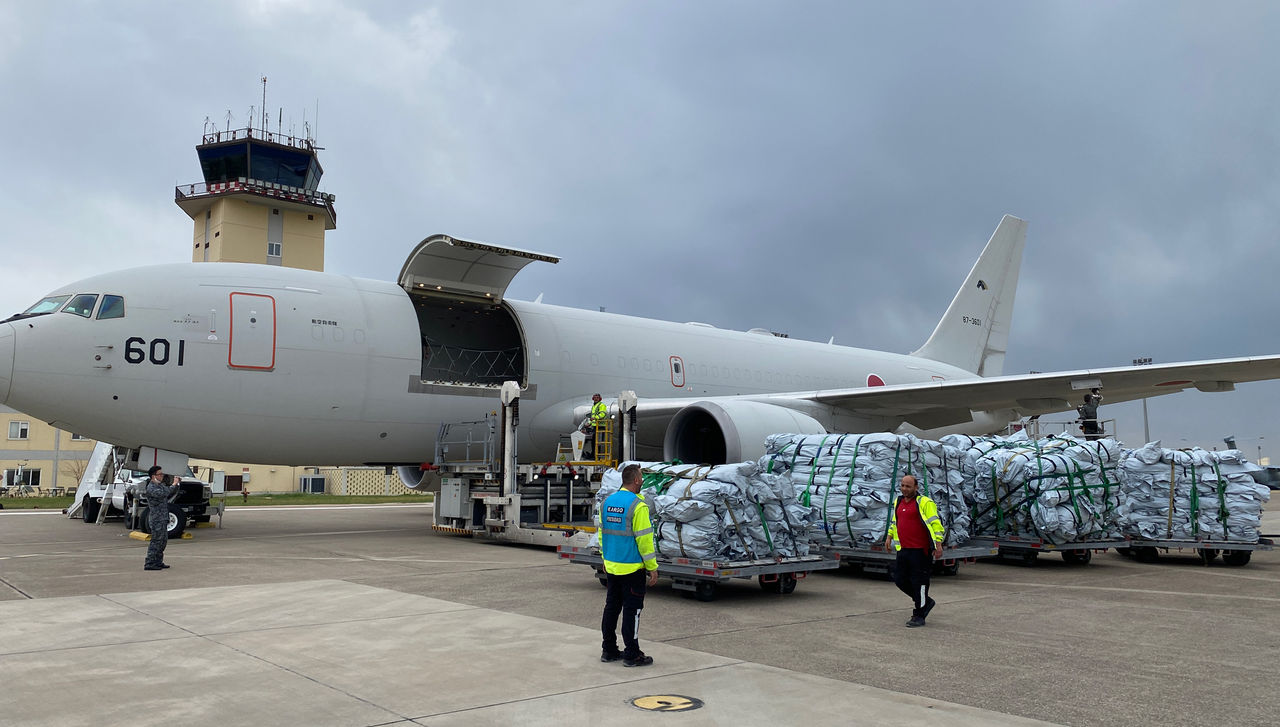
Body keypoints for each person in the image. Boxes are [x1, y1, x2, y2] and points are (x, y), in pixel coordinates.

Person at [598, 463, 659, 666]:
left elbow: (601, 534)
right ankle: (632, 654)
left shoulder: (607, 503)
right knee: (632, 612)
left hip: (613, 567)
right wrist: (652, 567)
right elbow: (644, 540)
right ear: (635, 481)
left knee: (611, 608)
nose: (642, 481)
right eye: (641, 477)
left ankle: (608, 650)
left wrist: (604, 558)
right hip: (632, 568)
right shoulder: (638, 506)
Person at [883, 474, 945, 627]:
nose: (904, 489)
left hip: (920, 551)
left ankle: (919, 614)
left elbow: (935, 524)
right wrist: (889, 536)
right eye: (902, 485)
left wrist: (938, 544)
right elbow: (895, 521)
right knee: (899, 579)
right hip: (904, 549)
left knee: (920, 583)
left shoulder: (925, 502)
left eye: (908, 486)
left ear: (916, 487)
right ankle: (925, 601)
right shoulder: (898, 501)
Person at [143, 466, 179, 571]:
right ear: (154, 476)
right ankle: (149, 562)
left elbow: (169, 490)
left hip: (163, 517)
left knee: (163, 541)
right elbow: (165, 493)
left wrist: (176, 484)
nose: (162, 476)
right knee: (156, 541)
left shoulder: (159, 486)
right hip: (156, 519)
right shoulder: (151, 488)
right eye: (160, 474)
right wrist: (174, 484)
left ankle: (158, 561)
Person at [582, 393, 608, 459]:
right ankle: (593, 455)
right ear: (593, 399)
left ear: (600, 399)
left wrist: (595, 418)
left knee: (597, 442)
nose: (596, 399)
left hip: (600, 426)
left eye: (597, 397)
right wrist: (590, 423)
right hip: (595, 426)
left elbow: (602, 414)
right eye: (595, 397)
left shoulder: (602, 405)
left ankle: (596, 456)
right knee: (594, 442)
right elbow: (592, 417)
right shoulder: (594, 406)